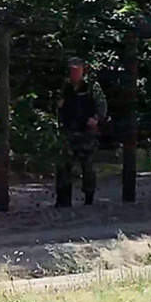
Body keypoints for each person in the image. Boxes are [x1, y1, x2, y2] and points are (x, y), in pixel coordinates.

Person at [56, 57, 107, 206]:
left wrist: (96, 119)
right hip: (68, 130)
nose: (75, 74)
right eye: (72, 71)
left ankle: (89, 198)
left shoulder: (92, 87)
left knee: (88, 167)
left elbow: (102, 105)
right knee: (64, 167)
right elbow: (56, 106)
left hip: (86, 132)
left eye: (77, 71)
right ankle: (63, 199)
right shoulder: (64, 87)